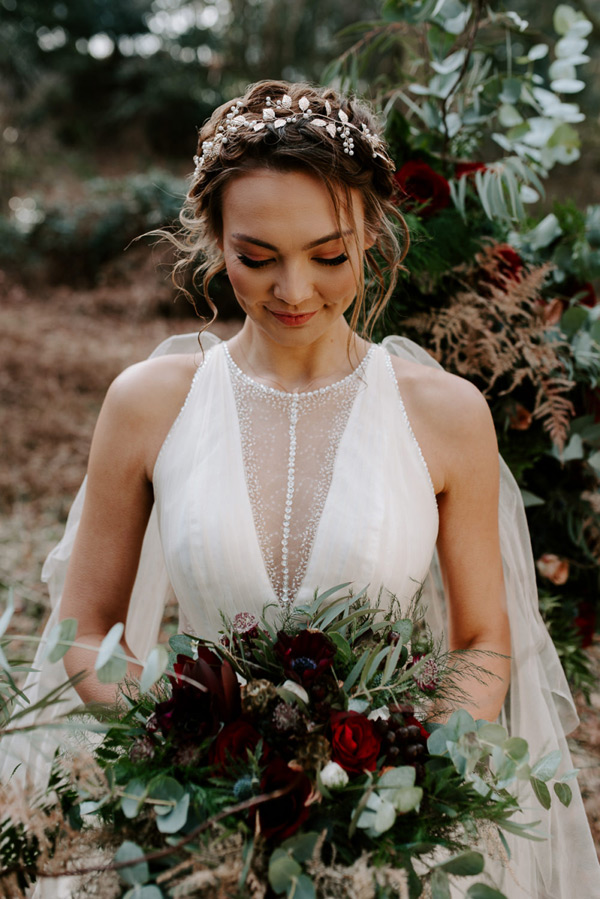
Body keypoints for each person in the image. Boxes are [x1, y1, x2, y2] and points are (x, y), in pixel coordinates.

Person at [2, 80, 599, 897]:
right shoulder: (148, 404)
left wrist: (393, 761)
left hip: (382, 832)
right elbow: (85, 628)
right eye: (256, 257)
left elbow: (484, 639)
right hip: (195, 826)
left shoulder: (447, 415)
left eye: (329, 256)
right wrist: (191, 746)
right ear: (212, 239)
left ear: (374, 235)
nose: (293, 290)